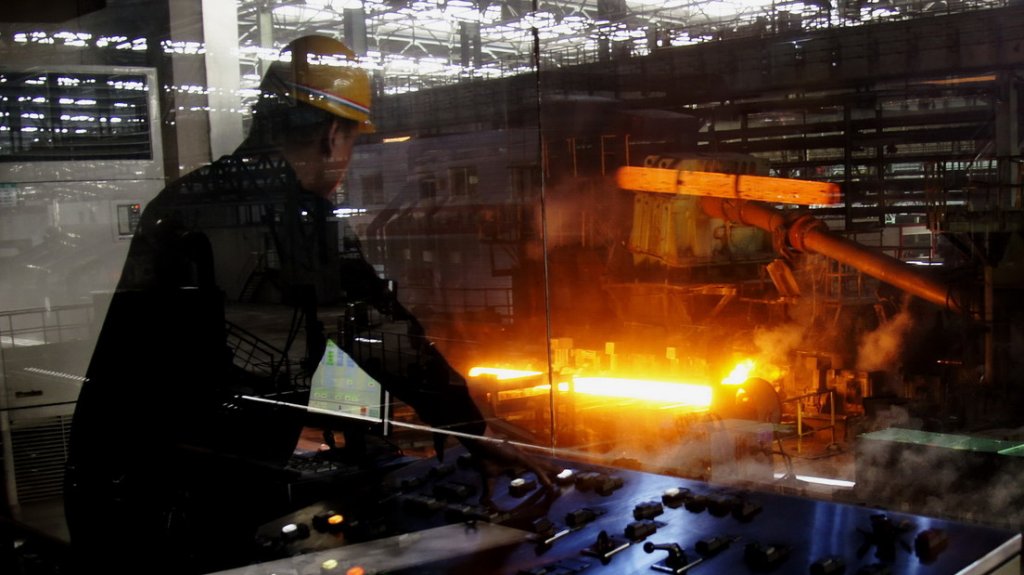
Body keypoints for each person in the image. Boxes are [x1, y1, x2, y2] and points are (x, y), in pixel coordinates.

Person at [64, 35, 549, 575]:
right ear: (331, 135)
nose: (347, 161)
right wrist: (468, 428)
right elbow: (383, 335)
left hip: (111, 486)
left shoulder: (185, 200)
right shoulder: (297, 220)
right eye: (354, 142)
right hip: (183, 506)